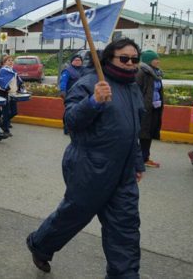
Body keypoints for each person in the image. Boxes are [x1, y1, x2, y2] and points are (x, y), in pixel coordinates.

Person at [26, 38, 146, 277]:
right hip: (89, 169)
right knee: (72, 217)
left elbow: (132, 131)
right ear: (109, 58)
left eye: (134, 59)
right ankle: (41, 244)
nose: (130, 64)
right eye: (124, 58)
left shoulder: (132, 88)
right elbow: (71, 121)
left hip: (123, 175)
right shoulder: (90, 83)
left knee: (125, 230)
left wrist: (137, 162)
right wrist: (94, 102)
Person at [136, 50, 164, 168]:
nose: (158, 61)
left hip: (155, 107)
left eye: (158, 59)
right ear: (148, 60)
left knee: (149, 133)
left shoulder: (156, 73)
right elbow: (137, 91)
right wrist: (141, 106)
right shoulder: (141, 72)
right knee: (143, 134)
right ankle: (139, 159)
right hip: (144, 108)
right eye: (155, 59)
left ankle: (145, 158)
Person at [0, 55, 24, 137]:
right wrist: (5, 88)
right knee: (6, 112)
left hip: (13, 94)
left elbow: (17, 81)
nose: (11, 62)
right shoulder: (3, 71)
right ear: (4, 63)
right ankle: (6, 130)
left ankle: (3, 123)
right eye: (8, 60)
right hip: (5, 95)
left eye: (11, 60)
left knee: (14, 112)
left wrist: (20, 88)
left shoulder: (13, 71)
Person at [59, 54, 84, 135]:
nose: (77, 62)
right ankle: (66, 128)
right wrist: (63, 91)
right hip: (71, 96)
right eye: (75, 60)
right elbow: (63, 82)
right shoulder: (67, 71)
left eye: (79, 60)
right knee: (69, 112)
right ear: (72, 61)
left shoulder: (85, 70)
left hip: (82, 95)